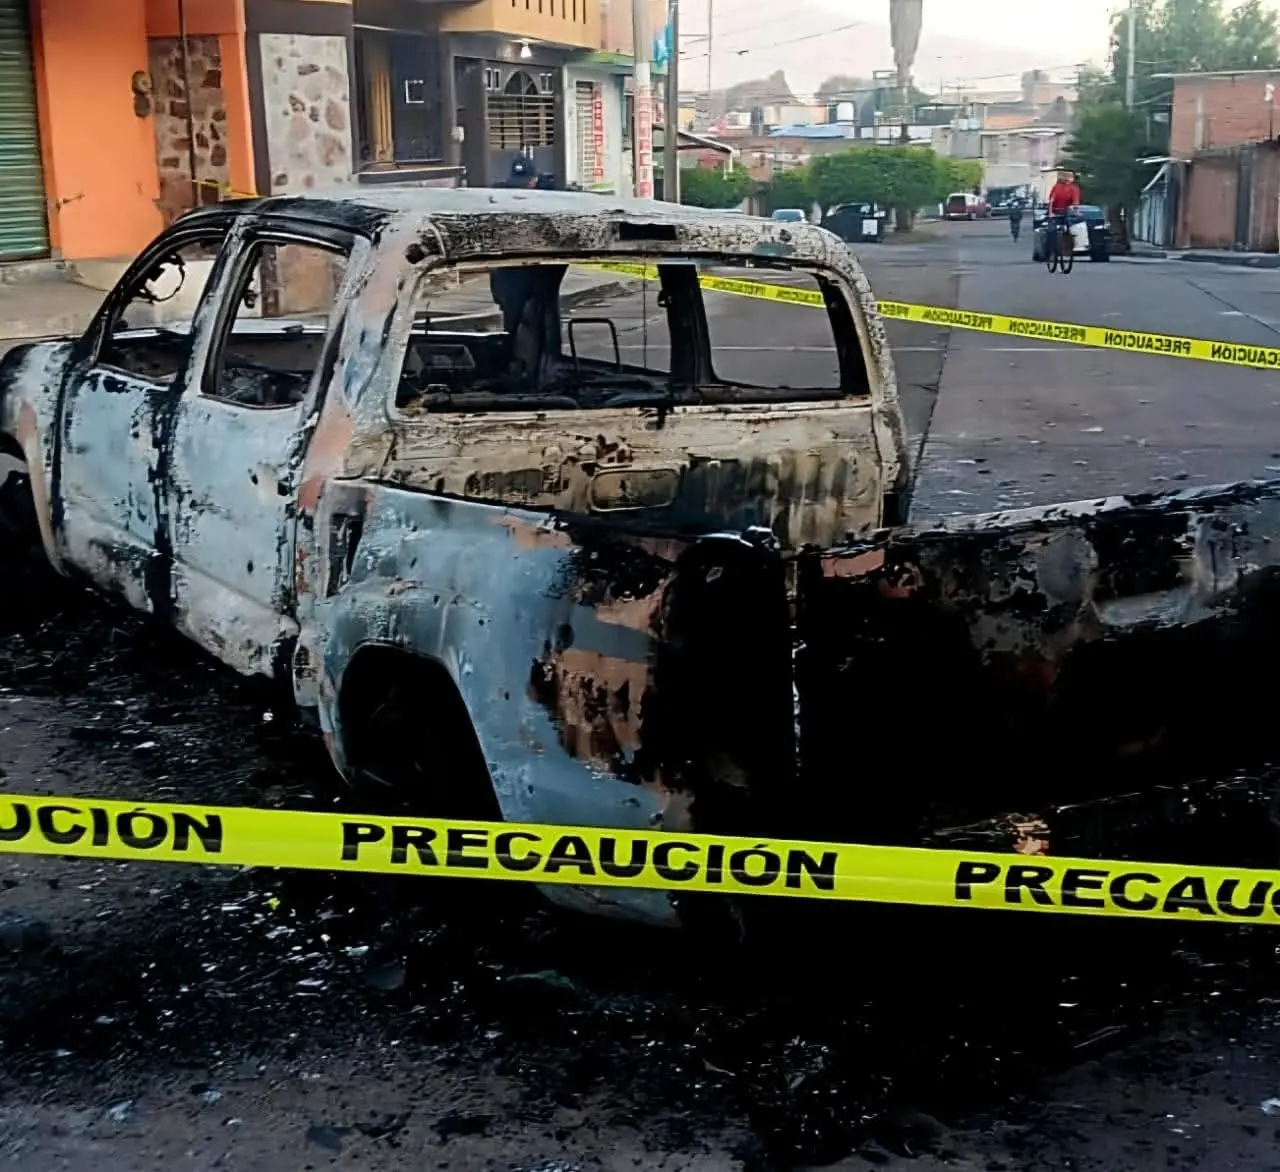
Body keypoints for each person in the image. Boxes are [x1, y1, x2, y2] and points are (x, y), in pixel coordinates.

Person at [1045, 170, 1082, 260]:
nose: (1069, 179)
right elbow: (1051, 201)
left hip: (1067, 211)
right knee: (1051, 230)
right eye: (1067, 176)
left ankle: (1070, 245)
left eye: (1071, 177)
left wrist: (1076, 211)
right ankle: (1050, 249)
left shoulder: (1074, 188)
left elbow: (1075, 201)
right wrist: (1050, 213)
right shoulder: (1057, 187)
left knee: (1072, 227)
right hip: (1055, 211)